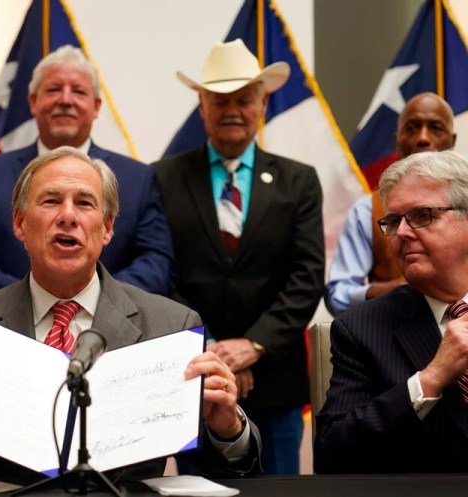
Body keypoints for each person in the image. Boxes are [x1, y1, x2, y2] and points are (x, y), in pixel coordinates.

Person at [0, 147, 261, 482]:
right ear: (19, 223)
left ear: (107, 227)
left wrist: (228, 427)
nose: (68, 216)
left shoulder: (171, 326)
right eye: (50, 200)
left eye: (85, 202)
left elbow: (223, 464)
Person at [152, 39, 324, 474]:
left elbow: (306, 277)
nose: (233, 110)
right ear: (202, 105)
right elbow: (159, 273)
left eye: (243, 100)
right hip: (194, 379)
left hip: (276, 381)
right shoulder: (162, 177)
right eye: (220, 100)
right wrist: (210, 350)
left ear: (262, 104)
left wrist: (253, 346)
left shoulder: (299, 181)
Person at [0, 45, 174, 299]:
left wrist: (97, 300)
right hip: (8, 329)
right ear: (33, 102)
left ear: (96, 106)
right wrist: (28, 299)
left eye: (78, 91)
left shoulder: (137, 179)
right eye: (53, 89)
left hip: (113, 332)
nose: (65, 99)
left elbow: (158, 265)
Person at [315, 150, 468, 473]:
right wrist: (429, 380)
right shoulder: (362, 329)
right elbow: (332, 454)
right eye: (394, 221)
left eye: (422, 215)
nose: (402, 234)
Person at [325, 92, 456, 315]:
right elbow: (338, 294)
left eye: (435, 127)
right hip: (393, 333)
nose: (423, 138)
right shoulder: (367, 211)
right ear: (397, 140)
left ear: (452, 141)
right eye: (412, 127)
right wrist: (390, 291)